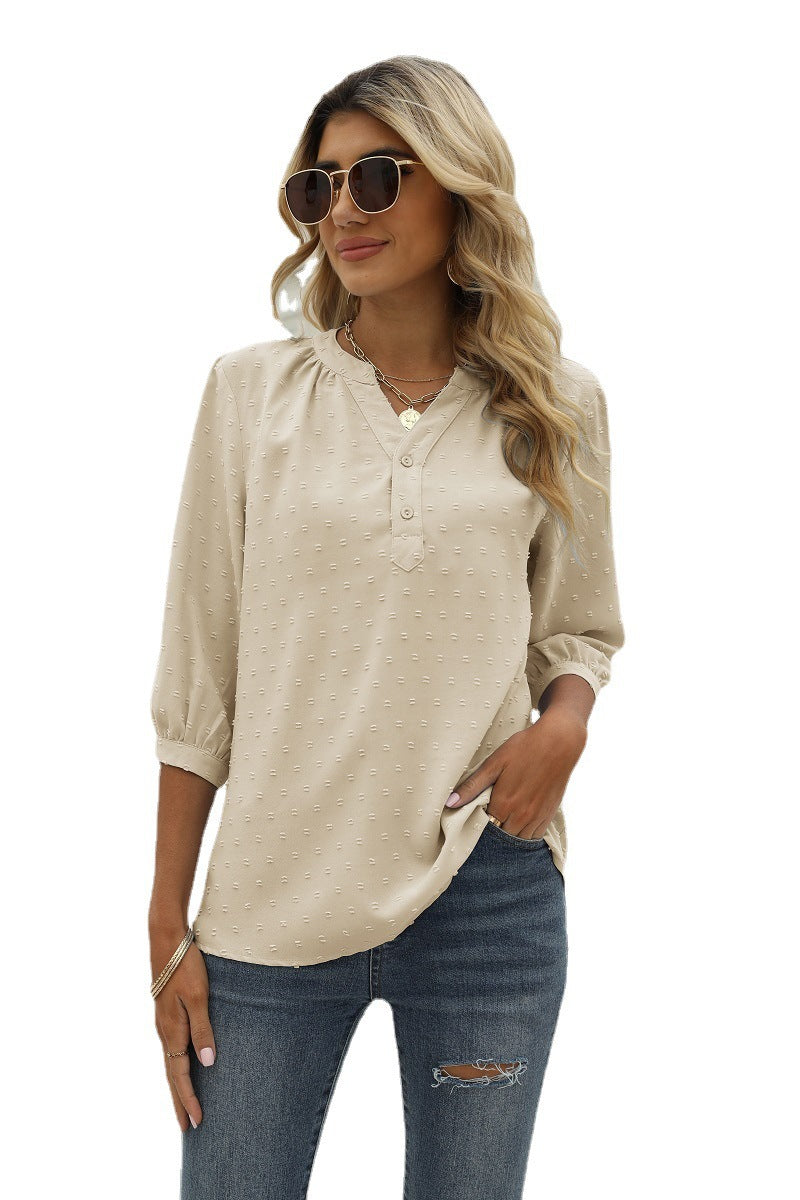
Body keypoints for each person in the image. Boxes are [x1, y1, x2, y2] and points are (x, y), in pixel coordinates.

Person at [148, 54, 625, 1200]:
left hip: (484, 894)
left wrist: (564, 725)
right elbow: (198, 683)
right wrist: (167, 926)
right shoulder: (249, 397)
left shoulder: (552, 405)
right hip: (270, 893)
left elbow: (577, 629)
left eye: (376, 177)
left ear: (457, 185)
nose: (342, 212)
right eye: (318, 188)